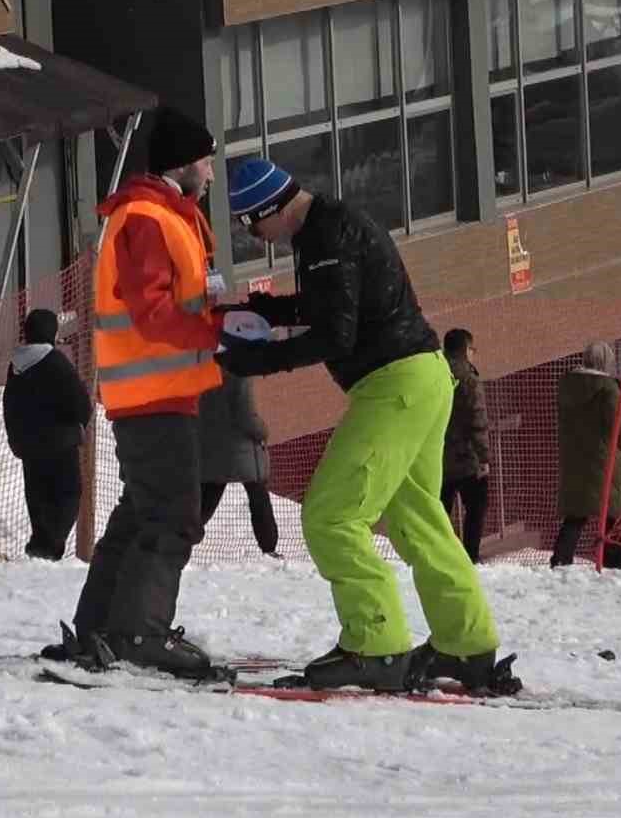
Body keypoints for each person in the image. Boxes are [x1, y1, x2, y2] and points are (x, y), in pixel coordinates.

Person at [214, 157, 519, 695]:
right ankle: (467, 643)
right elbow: (342, 305)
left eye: (248, 225)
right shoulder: (331, 227)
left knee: (331, 515)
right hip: (423, 377)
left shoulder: (325, 236)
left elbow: (338, 333)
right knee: (418, 519)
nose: (255, 237)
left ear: (266, 210)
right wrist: (273, 312)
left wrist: (258, 359)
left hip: (394, 386)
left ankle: (375, 645)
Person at [41, 106, 226, 678]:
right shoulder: (149, 217)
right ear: (182, 164)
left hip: (154, 391)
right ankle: (140, 633)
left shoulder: (167, 213)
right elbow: (154, 311)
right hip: (155, 392)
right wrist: (218, 332)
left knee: (142, 512)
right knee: (173, 515)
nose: (212, 174)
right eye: (206, 162)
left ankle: (101, 626)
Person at [2, 308, 91, 561]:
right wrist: (79, 426)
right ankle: (48, 545)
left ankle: (40, 546)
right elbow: (80, 402)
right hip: (59, 442)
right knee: (68, 494)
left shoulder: (16, 365)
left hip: (28, 445)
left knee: (38, 496)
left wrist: (16, 438)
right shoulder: (55, 362)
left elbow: (10, 402)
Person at [552, 340, 621, 569]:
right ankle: (616, 562)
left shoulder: (567, 386)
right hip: (603, 457)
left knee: (577, 512)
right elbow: (616, 423)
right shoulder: (608, 388)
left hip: (576, 458)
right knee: (613, 511)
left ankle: (560, 559)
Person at [197, 367, 279, 557]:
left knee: (207, 499)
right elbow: (246, 416)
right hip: (241, 449)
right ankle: (269, 549)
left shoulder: (204, 373)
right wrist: (263, 430)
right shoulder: (240, 375)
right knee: (259, 497)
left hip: (212, 448)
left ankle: (180, 539)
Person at [440, 328, 491, 564]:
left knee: (439, 511)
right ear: (465, 350)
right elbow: (477, 420)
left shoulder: (435, 373)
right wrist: (484, 457)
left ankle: (439, 553)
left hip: (438, 457)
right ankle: (470, 556)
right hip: (467, 458)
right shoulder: (469, 380)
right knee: (477, 507)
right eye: (473, 350)